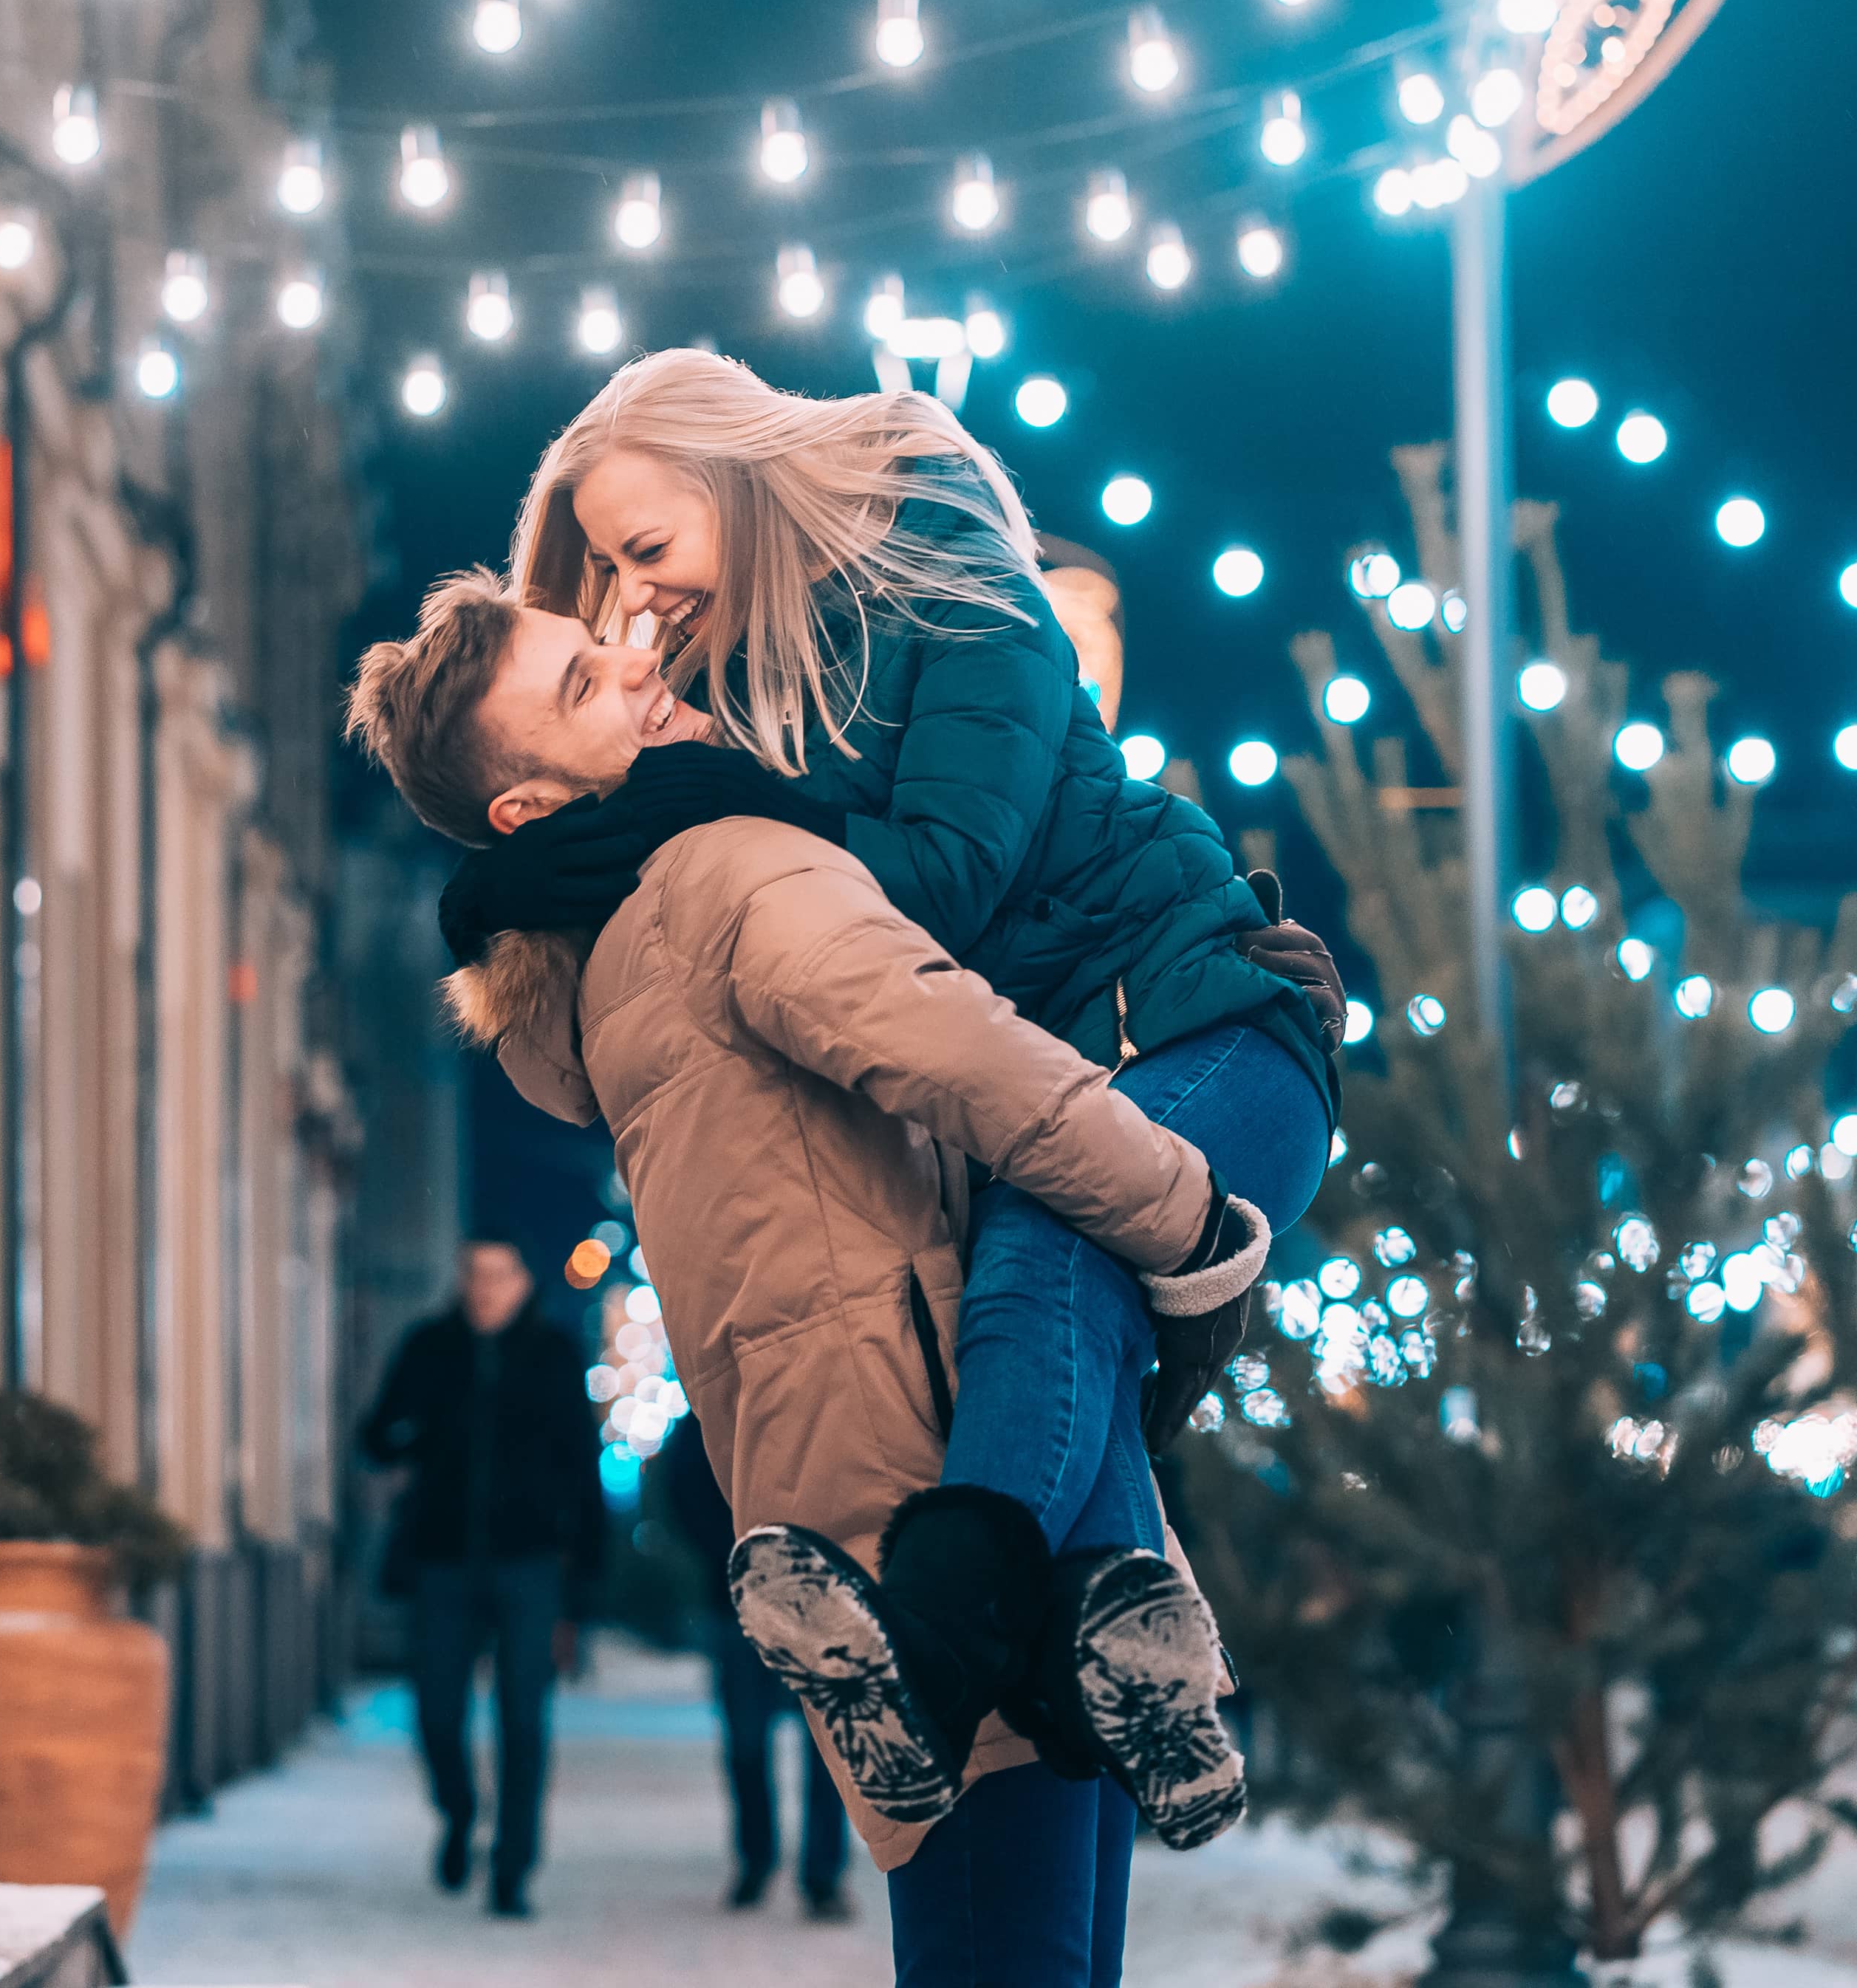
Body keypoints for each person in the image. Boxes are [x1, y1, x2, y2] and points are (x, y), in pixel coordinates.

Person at [351, 571, 1341, 1986]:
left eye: (607, 645)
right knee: (1029, 1951)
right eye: (581, 686)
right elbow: (974, 1061)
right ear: (525, 809)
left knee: (988, 1947)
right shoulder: (724, 865)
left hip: (839, 1498)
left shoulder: (600, 972)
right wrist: (1186, 1215)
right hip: (980, 1487)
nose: (635, 669)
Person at [356, 1239, 607, 1917]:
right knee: (436, 1712)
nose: (485, 1288)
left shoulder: (552, 1353)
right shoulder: (430, 1346)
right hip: (442, 1558)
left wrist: (584, 1575)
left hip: (529, 1563)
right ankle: (461, 1811)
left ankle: (514, 1867)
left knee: (524, 1719)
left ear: (524, 1282)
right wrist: (424, 1440)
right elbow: (377, 1434)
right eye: (474, 1273)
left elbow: (582, 1465)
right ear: (460, 1280)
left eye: (500, 1275)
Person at [658, 1420, 853, 1922]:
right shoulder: (714, 1403)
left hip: (819, 1596)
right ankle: (757, 1859)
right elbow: (682, 1483)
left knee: (826, 1747)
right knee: (746, 1741)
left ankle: (822, 1874)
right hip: (739, 1597)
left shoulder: (822, 1392)